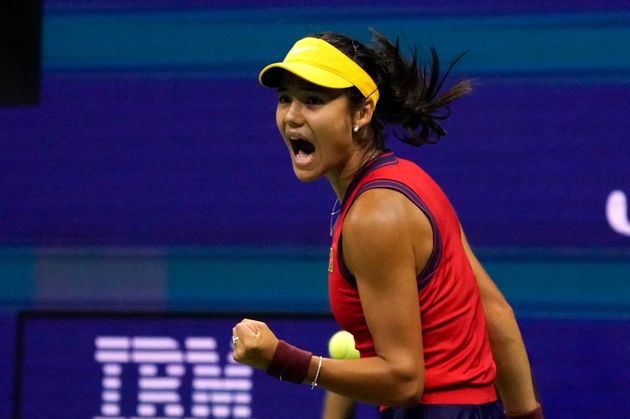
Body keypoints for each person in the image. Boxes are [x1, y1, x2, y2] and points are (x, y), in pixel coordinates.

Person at [231, 30, 543, 419]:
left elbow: (404, 381)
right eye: (285, 99)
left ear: (361, 113)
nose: (292, 116)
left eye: (313, 100)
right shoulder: (411, 182)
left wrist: (284, 360)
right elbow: (494, 311)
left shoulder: (375, 215)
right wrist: (526, 414)